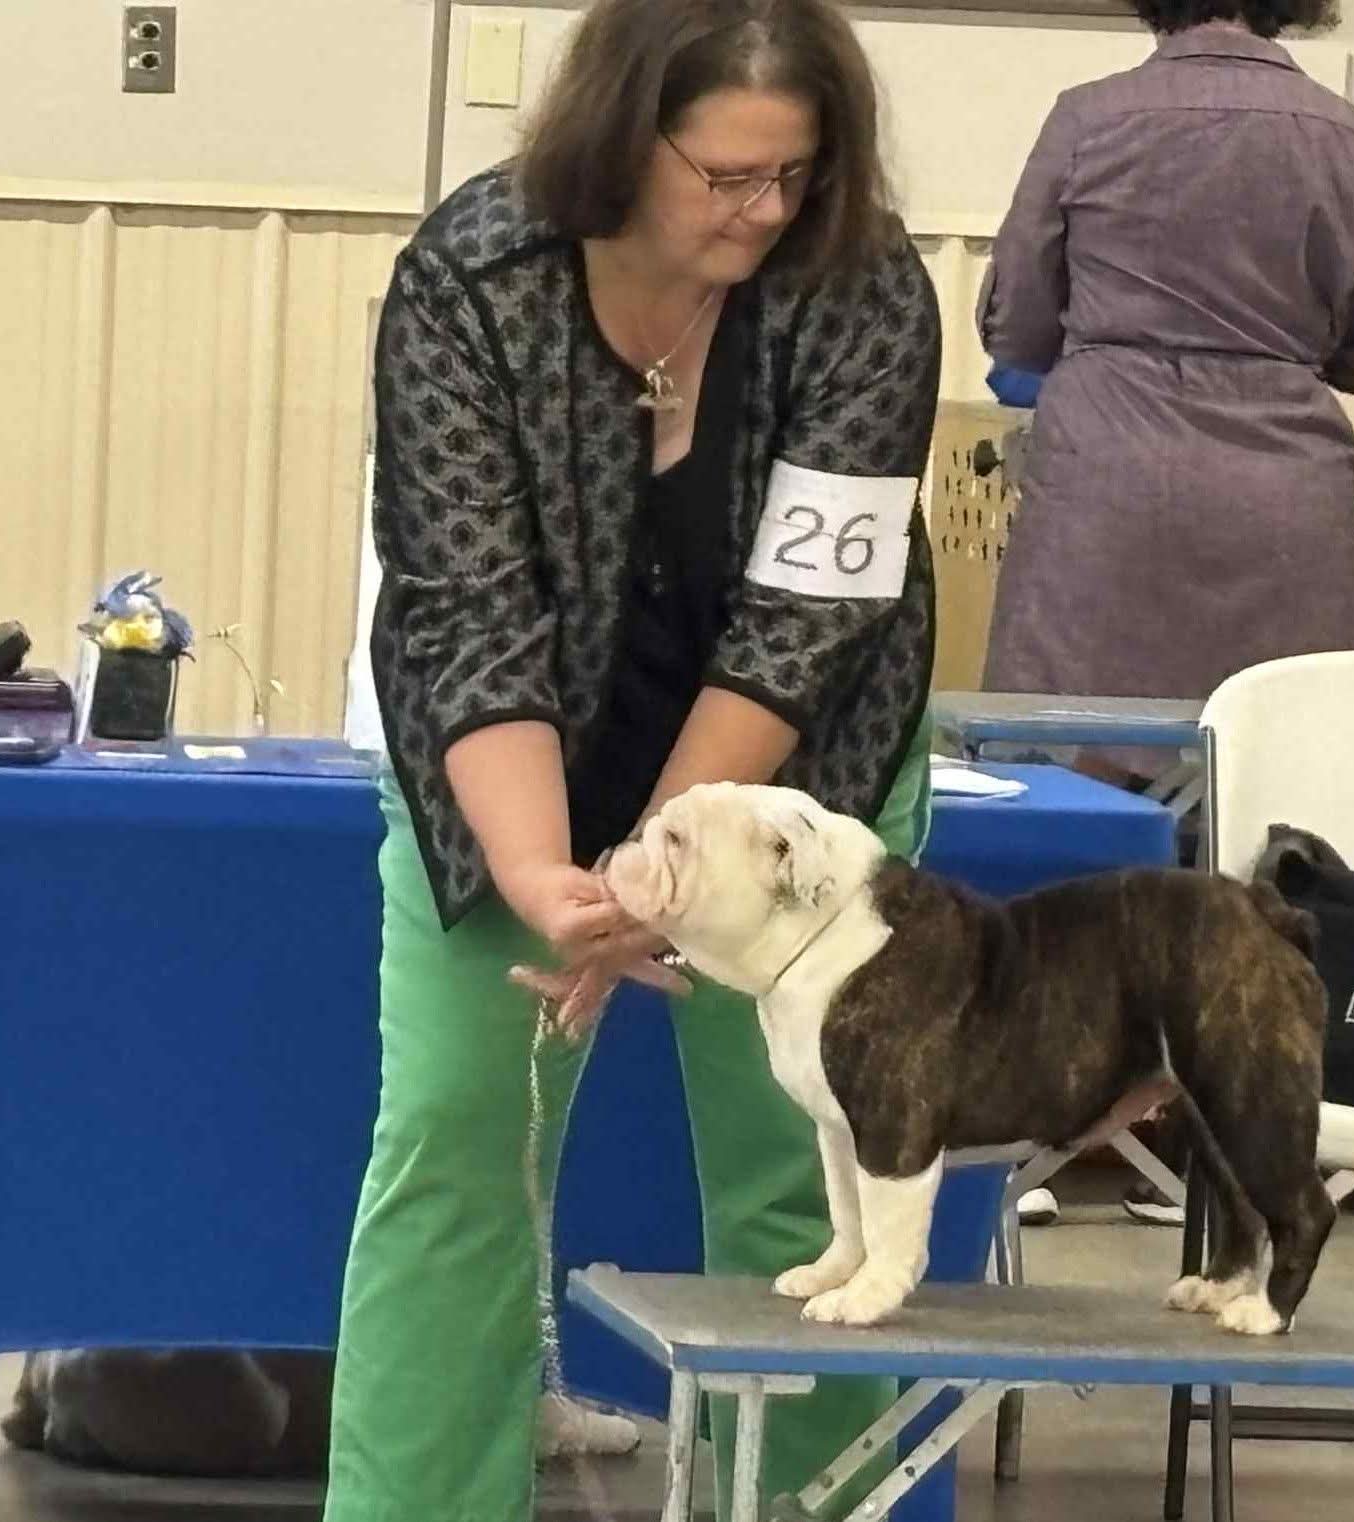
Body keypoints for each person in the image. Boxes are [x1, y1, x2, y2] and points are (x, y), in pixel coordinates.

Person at [322, 2, 943, 1518]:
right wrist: (555, 879)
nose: (764, 210)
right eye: (725, 174)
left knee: (814, 1163)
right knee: (454, 1143)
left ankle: (804, 1501)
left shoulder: (863, 281)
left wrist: (661, 872)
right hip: (510, 765)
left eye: (794, 172)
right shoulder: (472, 277)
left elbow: (806, 620)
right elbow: (468, 613)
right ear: (619, 139)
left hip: (794, 778)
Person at [977, 0, 1354, 1222]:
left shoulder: (1087, 119)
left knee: (1061, 784)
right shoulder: (1340, 133)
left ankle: (1017, 1142)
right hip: (1283, 494)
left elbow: (1017, 323)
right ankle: (1230, 1154)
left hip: (1106, 489)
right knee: (1268, 812)